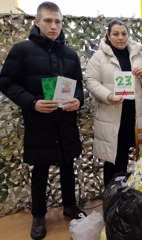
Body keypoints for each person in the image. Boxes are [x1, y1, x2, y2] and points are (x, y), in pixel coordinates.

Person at [0, 2, 86, 239]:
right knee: (40, 171)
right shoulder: (21, 50)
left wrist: (78, 101)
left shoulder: (70, 54)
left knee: (69, 165)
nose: (53, 26)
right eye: (48, 21)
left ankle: (70, 206)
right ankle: (39, 216)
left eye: (57, 21)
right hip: (39, 122)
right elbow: (6, 82)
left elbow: (78, 86)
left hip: (65, 121)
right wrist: (32, 102)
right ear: (37, 22)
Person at [85, 19, 142, 186]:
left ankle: (129, 197)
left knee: (137, 155)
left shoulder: (138, 55)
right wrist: (109, 95)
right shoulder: (99, 57)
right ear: (108, 36)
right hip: (113, 114)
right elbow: (90, 80)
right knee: (113, 158)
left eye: (124, 33)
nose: (120, 37)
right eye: (115, 34)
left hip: (135, 114)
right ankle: (111, 199)